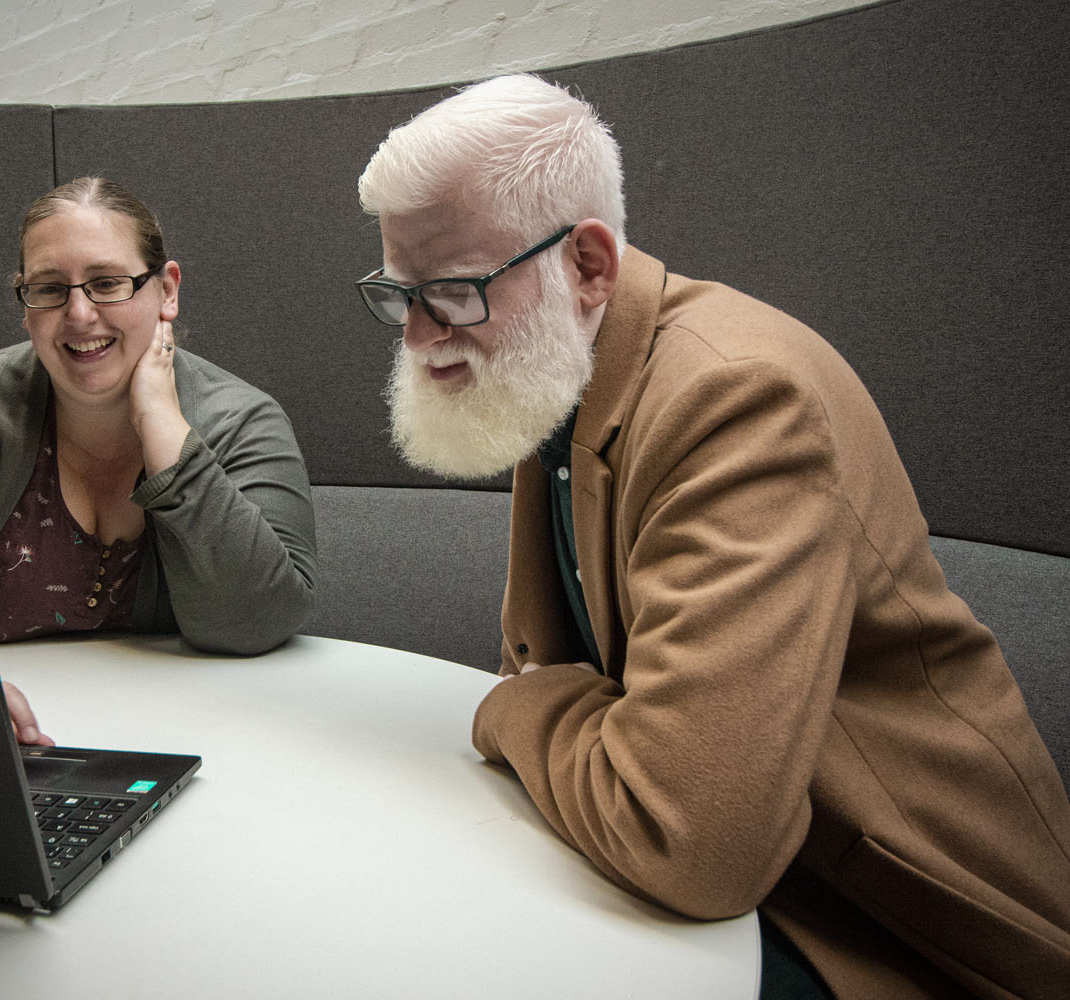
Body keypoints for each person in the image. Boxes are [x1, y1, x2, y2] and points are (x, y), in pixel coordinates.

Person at [354, 74, 1070, 999]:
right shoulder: (552, 367)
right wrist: (574, 715)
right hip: (707, 886)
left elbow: (689, 840)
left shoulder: (736, 399)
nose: (416, 336)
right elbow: (563, 670)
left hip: (888, 925)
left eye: (449, 291)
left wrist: (516, 712)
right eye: (396, 293)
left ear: (588, 265)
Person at [0, 177, 317, 742]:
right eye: (49, 288)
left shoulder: (240, 421)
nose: (79, 314)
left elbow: (257, 621)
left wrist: (164, 433)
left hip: (202, 739)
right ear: (25, 304)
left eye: (107, 283)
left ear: (167, 290)